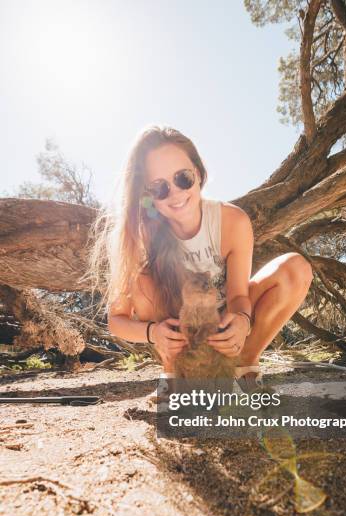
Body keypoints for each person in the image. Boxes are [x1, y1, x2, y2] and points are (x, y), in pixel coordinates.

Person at [89, 125, 313, 391]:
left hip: (223, 324)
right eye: (159, 187)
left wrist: (241, 319)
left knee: (295, 268)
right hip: (183, 331)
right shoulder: (139, 238)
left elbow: (239, 296)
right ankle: (173, 375)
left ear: (198, 173)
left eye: (182, 178)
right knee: (141, 279)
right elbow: (117, 320)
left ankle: (244, 365)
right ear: (146, 194)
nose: (175, 193)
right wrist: (153, 333)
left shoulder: (232, 221)